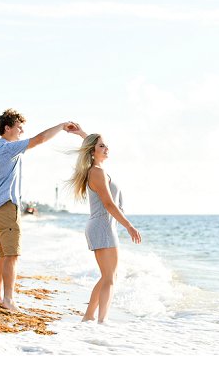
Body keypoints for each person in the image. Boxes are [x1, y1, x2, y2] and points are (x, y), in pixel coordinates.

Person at [0, 109, 85, 312]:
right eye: (19, 127)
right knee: (12, 255)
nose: (22, 130)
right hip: (6, 207)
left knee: (3, 255)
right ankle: (8, 300)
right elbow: (39, 139)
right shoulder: (8, 148)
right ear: (8, 128)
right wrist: (61, 126)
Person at [68, 134, 142, 323]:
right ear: (93, 151)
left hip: (102, 226)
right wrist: (129, 226)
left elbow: (91, 143)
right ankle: (102, 321)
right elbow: (109, 204)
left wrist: (81, 133)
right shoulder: (97, 172)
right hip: (103, 226)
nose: (107, 149)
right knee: (110, 277)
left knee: (108, 276)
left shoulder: (97, 169)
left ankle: (89, 317)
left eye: (107, 145)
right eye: (102, 146)